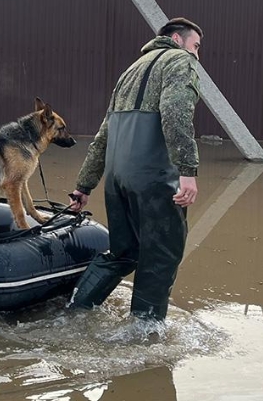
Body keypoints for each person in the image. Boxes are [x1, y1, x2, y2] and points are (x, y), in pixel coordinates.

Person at [66, 17, 202, 321]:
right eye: (196, 46)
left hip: (118, 180)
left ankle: (75, 313)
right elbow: (176, 112)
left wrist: (83, 186)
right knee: (161, 255)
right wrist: (187, 170)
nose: (197, 55)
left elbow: (104, 135)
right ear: (178, 40)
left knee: (122, 253)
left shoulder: (130, 71)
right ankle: (144, 332)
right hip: (154, 177)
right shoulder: (179, 61)